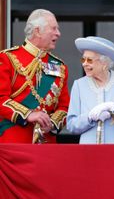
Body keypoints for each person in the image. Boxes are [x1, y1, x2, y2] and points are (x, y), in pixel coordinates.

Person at [0, 9, 70, 143]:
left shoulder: (60, 67)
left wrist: (52, 124)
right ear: (38, 31)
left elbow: (65, 107)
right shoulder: (7, 58)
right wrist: (28, 114)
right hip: (13, 143)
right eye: (54, 28)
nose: (58, 33)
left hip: (46, 145)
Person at [67, 36, 114, 144]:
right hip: (89, 154)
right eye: (83, 59)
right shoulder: (79, 85)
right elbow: (71, 125)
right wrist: (89, 117)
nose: (84, 63)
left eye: (89, 60)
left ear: (104, 63)